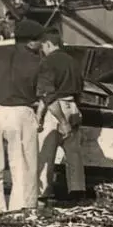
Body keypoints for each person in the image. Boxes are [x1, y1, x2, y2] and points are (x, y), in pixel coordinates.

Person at [0, 19, 48, 218]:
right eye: (40, 41)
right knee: (23, 165)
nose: (41, 44)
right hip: (21, 113)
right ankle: (21, 211)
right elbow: (44, 96)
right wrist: (39, 118)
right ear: (31, 42)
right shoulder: (38, 61)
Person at [36, 25, 87, 201]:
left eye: (43, 46)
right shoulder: (73, 62)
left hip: (55, 109)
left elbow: (46, 94)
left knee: (46, 152)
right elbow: (80, 89)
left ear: (48, 44)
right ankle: (77, 190)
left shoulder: (47, 62)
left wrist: (40, 116)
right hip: (74, 105)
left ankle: (44, 192)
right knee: (74, 153)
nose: (42, 50)